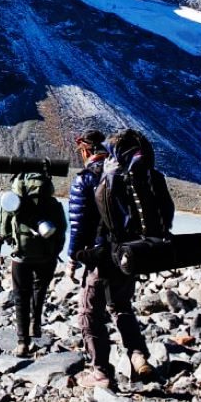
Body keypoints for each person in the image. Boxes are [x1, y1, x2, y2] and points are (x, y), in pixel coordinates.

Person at [69, 129, 170, 388]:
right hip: (129, 254)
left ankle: (100, 372)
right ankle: (138, 358)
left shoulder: (87, 179)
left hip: (101, 256)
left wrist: (73, 257)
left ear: (86, 151)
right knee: (121, 306)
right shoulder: (128, 172)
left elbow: (78, 224)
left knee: (90, 314)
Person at [0, 167, 67, 357]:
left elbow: (4, 227)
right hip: (47, 255)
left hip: (22, 256)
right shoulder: (52, 203)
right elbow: (62, 229)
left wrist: (2, 238)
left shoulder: (12, 202)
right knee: (39, 288)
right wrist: (55, 251)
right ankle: (35, 323)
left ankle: (22, 343)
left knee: (20, 297)